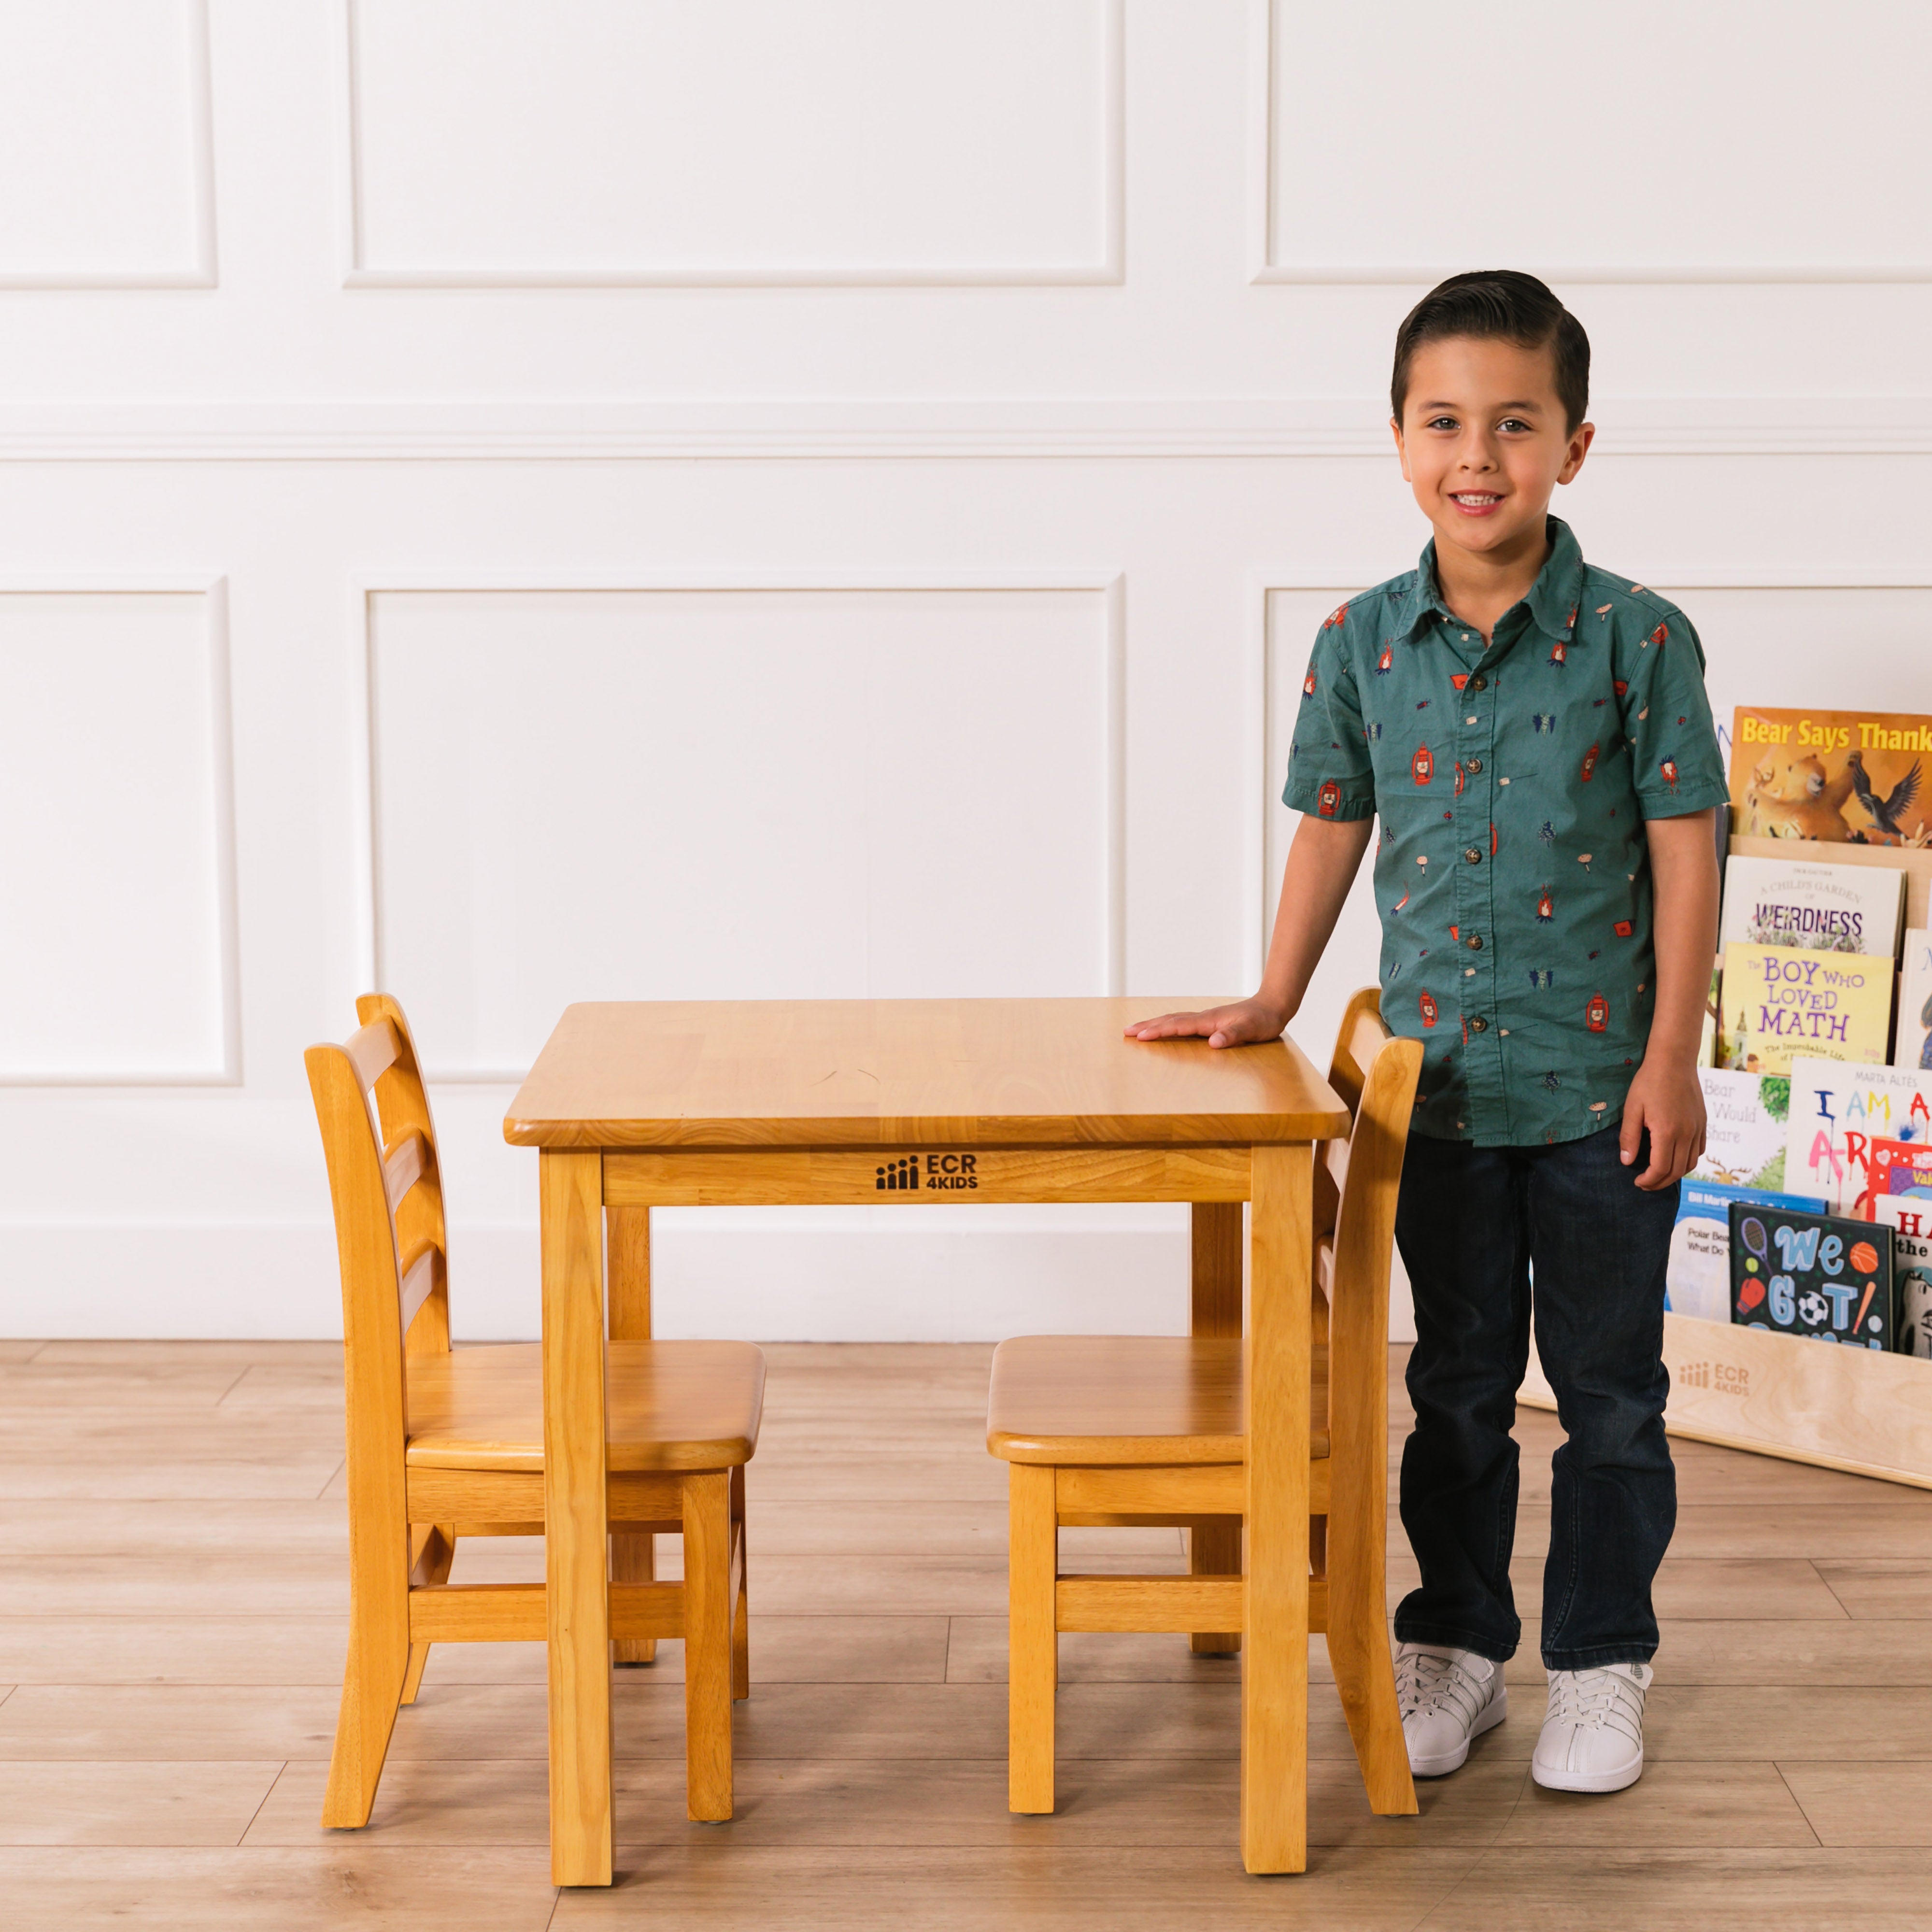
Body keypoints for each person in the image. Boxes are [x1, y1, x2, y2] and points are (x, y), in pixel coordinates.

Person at [1127, 271, 1726, 1795]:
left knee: (1610, 1402)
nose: (1480, 454)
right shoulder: (1359, 643)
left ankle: (1601, 1665)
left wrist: (1672, 1059)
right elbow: (1332, 828)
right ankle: (1457, 1644)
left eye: (1515, 424)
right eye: (1446, 421)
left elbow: (1685, 850)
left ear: (1573, 446)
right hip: (1441, 1099)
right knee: (1455, 1389)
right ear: (1399, 440)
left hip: (1604, 1099)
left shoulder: (1639, 642)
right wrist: (1272, 998)